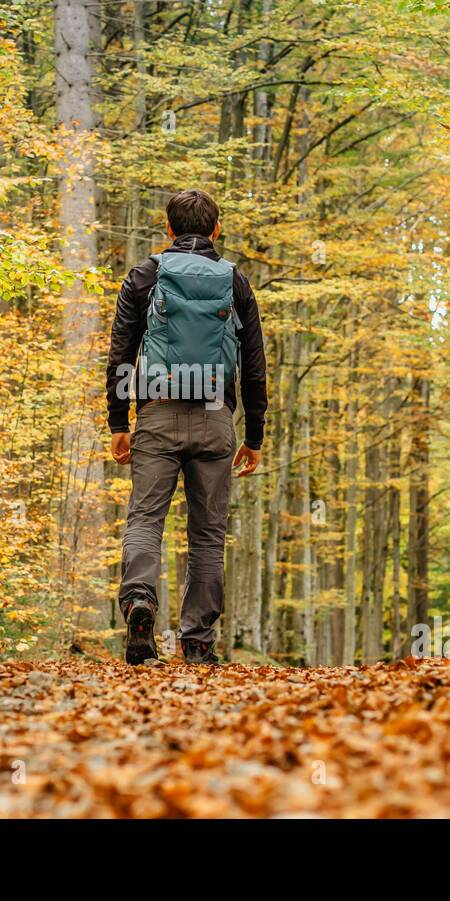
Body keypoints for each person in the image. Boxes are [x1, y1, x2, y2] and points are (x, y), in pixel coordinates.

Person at [105, 189, 268, 665]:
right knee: (208, 532)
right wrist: (254, 434)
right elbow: (255, 366)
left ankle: (139, 602)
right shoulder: (235, 281)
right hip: (217, 417)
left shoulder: (144, 275)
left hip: (157, 412)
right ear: (216, 229)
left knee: (146, 520)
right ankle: (197, 641)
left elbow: (122, 354)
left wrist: (119, 420)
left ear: (168, 230)